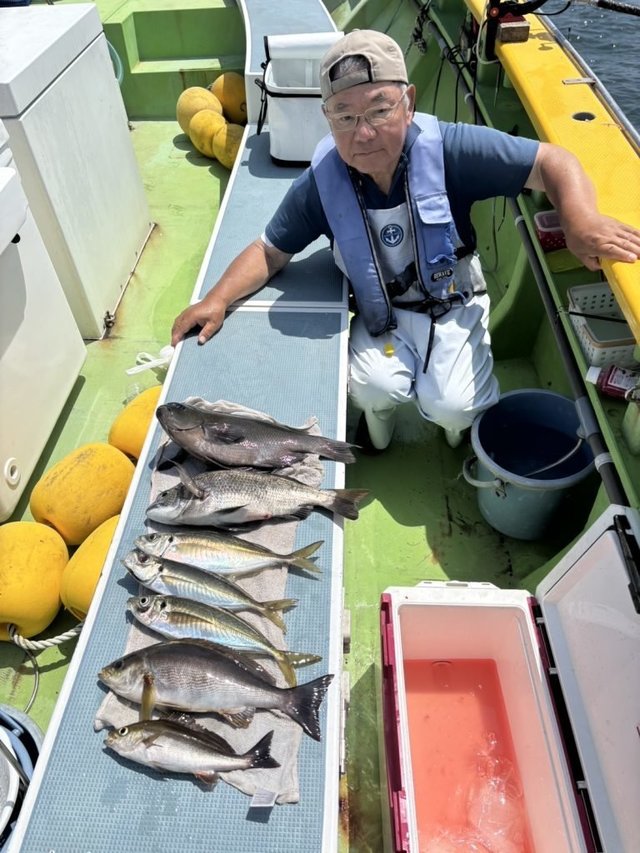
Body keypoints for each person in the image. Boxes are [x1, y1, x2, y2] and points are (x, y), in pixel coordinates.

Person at [171, 30, 640, 451]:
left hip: (453, 301)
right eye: (344, 116)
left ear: (408, 102)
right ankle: (380, 431)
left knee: (452, 406)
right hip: (383, 316)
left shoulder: (451, 150)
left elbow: (552, 162)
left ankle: (457, 431)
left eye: (380, 110)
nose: (363, 133)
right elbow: (270, 250)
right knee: (373, 388)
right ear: (327, 118)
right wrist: (217, 299)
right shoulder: (322, 181)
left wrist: (579, 219)